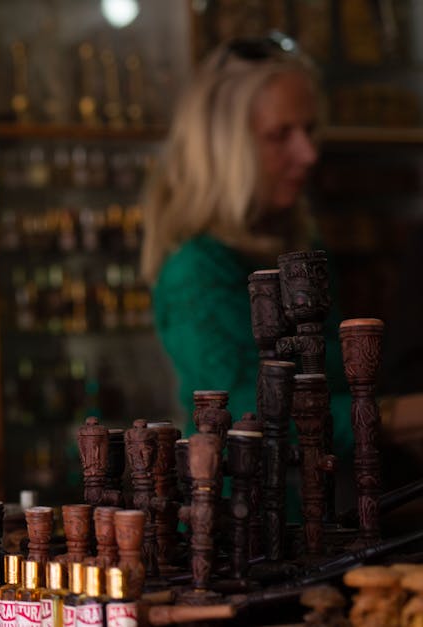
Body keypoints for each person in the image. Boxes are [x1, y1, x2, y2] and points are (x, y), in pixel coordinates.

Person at [140, 33, 352, 454]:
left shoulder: (299, 246)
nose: (308, 153)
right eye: (280, 135)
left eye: (310, 130)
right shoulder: (195, 268)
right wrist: (399, 415)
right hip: (238, 514)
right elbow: (252, 412)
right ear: (222, 149)